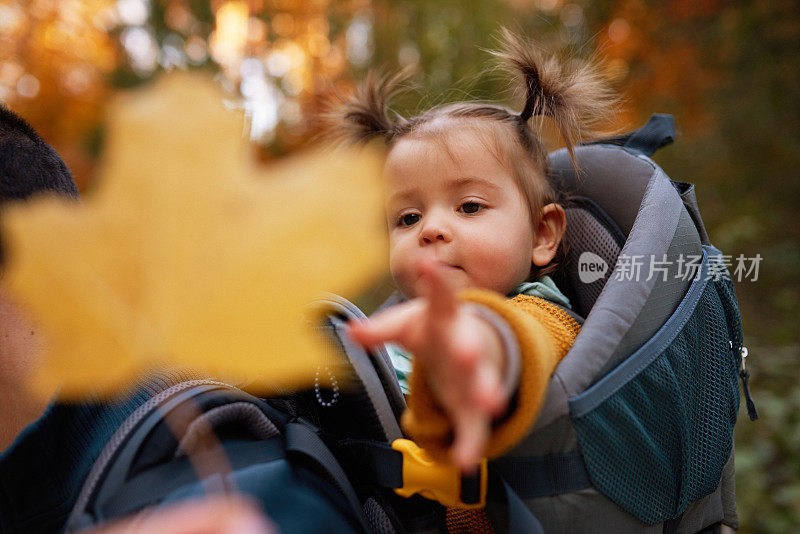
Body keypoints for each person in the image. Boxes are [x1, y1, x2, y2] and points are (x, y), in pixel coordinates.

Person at [337, 29, 614, 471]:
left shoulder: (543, 318)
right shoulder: (388, 322)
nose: (431, 229)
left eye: (469, 206)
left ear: (542, 234)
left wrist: (478, 351)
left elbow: (515, 347)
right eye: (407, 218)